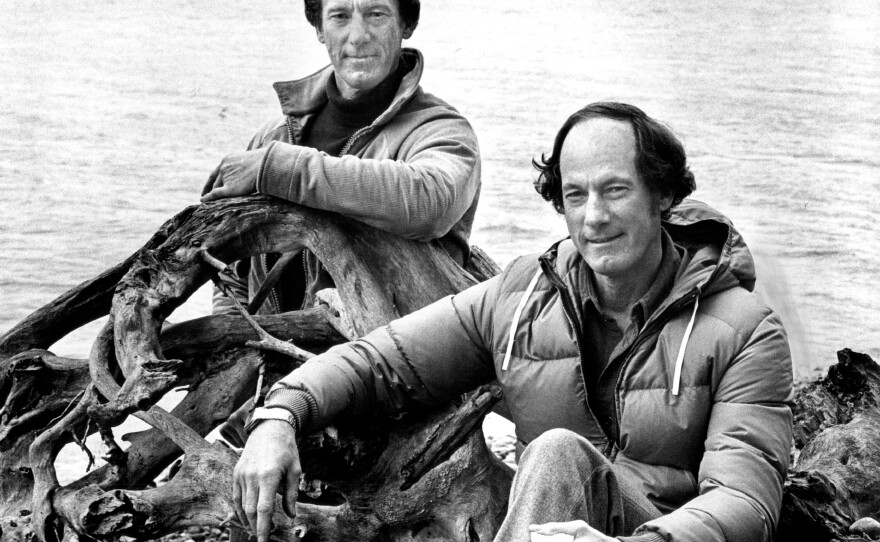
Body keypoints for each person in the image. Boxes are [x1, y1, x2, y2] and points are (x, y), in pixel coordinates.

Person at [233, 102, 794, 542]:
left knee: (556, 454)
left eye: (615, 190)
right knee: (555, 459)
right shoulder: (523, 296)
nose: (594, 216)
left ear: (662, 194)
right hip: (543, 528)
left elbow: (746, 503)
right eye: (575, 194)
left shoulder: (744, 329)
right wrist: (278, 415)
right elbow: (383, 363)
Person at [200, 0, 481, 314]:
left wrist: (281, 169)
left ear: (407, 24)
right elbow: (232, 273)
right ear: (320, 28)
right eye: (340, 16)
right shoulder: (275, 137)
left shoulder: (442, 131)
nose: (358, 35)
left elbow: (429, 201)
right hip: (275, 358)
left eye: (376, 14)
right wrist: (237, 343)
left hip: (394, 359)